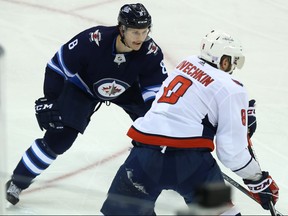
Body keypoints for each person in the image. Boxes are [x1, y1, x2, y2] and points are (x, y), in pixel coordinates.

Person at [100, 30, 279, 215]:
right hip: (190, 164)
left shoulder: (187, 63)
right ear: (224, 61)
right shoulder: (232, 88)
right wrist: (257, 180)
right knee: (220, 212)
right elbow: (231, 153)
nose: (232, 67)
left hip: (144, 154)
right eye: (232, 62)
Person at [6, 3, 168, 205]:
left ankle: (179, 167)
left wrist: (154, 119)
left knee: (159, 124)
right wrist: (51, 99)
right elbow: (56, 67)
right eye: (135, 32)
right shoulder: (92, 41)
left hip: (126, 89)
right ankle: (18, 181)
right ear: (122, 29)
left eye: (145, 32)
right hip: (83, 88)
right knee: (60, 138)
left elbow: (156, 90)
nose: (140, 38)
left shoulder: (150, 51)